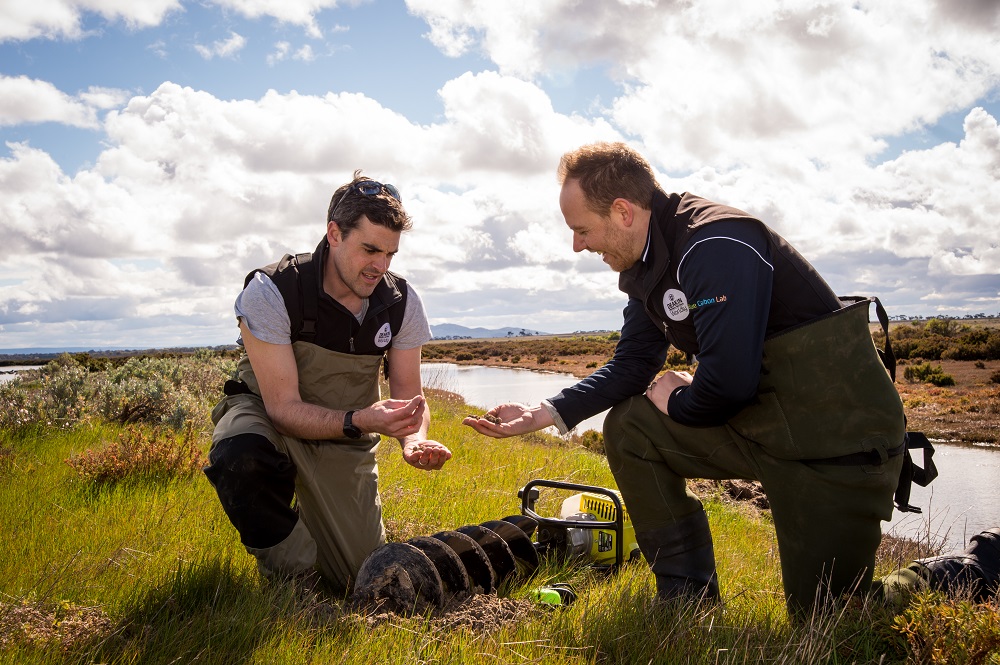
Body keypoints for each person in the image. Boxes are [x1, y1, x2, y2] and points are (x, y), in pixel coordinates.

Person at [463, 142, 998, 615]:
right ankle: (685, 598)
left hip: (832, 445)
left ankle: (980, 563)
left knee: (837, 621)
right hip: (760, 427)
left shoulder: (716, 243)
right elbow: (633, 365)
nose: (577, 246)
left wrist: (677, 399)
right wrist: (546, 413)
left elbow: (729, 383)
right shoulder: (648, 263)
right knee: (630, 427)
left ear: (622, 211)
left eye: (581, 229)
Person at [205, 171, 451, 591]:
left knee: (359, 579)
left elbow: (410, 395)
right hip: (269, 417)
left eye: (390, 254)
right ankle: (295, 583)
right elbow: (282, 408)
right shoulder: (273, 291)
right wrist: (361, 420)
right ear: (333, 233)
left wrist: (414, 439)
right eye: (370, 249)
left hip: (344, 439)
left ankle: (321, 548)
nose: (380, 266)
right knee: (240, 457)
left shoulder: (401, 302)